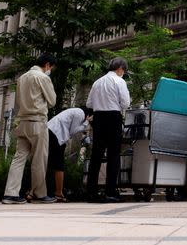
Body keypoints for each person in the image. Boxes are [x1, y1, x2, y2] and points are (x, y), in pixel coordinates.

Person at [2, 53, 58, 204]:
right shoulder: (43, 77)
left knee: (19, 158)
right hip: (38, 121)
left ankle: (10, 194)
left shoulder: (22, 77)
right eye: (51, 67)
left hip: (22, 121)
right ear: (47, 65)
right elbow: (52, 101)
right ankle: (39, 194)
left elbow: (19, 100)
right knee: (39, 159)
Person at [85, 57, 130, 203]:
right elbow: (125, 103)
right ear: (120, 69)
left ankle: (91, 192)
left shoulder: (97, 82)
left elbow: (89, 103)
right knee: (113, 155)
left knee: (96, 155)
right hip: (113, 117)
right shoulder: (119, 81)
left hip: (98, 118)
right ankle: (110, 192)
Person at [46, 106, 93, 202]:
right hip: (56, 135)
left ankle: (40, 190)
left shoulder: (74, 111)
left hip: (52, 131)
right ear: (89, 115)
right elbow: (73, 131)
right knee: (59, 164)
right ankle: (58, 193)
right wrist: (86, 123)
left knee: (48, 163)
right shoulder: (80, 113)